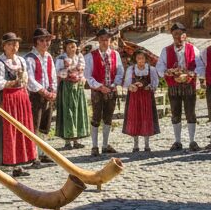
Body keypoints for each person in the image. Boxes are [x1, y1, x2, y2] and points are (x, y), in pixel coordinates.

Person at [0, 32, 38, 177]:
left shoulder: (21, 60)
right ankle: (5, 163)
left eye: (16, 44)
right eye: (10, 44)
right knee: (8, 131)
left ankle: (19, 164)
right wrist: (14, 82)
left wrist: (24, 86)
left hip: (20, 99)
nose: (14, 46)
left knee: (21, 130)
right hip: (6, 100)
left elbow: (26, 79)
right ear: (4, 46)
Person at [157, 22, 200, 151]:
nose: (178, 37)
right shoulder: (166, 50)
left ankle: (192, 141)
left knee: (190, 113)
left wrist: (191, 74)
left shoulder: (193, 49)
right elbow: (159, 67)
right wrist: (167, 72)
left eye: (180, 34)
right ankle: (177, 141)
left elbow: (201, 66)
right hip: (174, 86)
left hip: (188, 85)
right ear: (172, 35)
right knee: (175, 113)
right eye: (175, 34)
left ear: (185, 36)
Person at [85, 28, 122, 157]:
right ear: (98, 40)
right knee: (96, 118)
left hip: (111, 89)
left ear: (110, 40)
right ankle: (94, 146)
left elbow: (120, 72)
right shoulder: (90, 56)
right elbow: (88, 76)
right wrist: (100, 87)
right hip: (97, 91)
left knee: (108, 118)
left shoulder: (115, 55)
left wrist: (113, 85)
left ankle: (105, 145)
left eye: (107, 39)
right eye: (102, 39)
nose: (105, 42)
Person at [25, 28, 59, 165]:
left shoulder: (49, 57)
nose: (45, 43)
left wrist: (53, 91)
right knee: (35, 125)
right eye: (42, 40)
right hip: (35, 96)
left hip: (48, 95)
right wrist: (42, 91)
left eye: (47, 40)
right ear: (36, 42)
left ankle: (43, 153)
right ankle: (33, 156)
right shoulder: (29, 58)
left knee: (45, 125)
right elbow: (30, 79)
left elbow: (53, 76)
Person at [55, 38, 91, 150]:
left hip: (78, 87)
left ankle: (76, 140)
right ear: (66, 47)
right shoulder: (61, 58)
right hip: (66, 87)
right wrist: (68, 69)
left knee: (77, 111)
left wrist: (80, 76)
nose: (73, 48)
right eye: (70, 46)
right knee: (68, 112)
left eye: (74, 46)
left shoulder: (79, 57)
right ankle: (67, 142)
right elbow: (59, 73)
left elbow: (82, 71)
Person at [122, 48, 160, 152]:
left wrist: (150, 86)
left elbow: (155, 83)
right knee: (135, 118)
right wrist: (132, 86)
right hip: (134, 97)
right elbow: (126, 83)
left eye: (142, 58)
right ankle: (135, 145)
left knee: (146, 118)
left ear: (145, 59)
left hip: (146, 97)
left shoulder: (151, 69)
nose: (141, 60)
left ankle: (147, 145)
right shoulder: (131, 69)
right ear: (135, 59)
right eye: (138, 58)